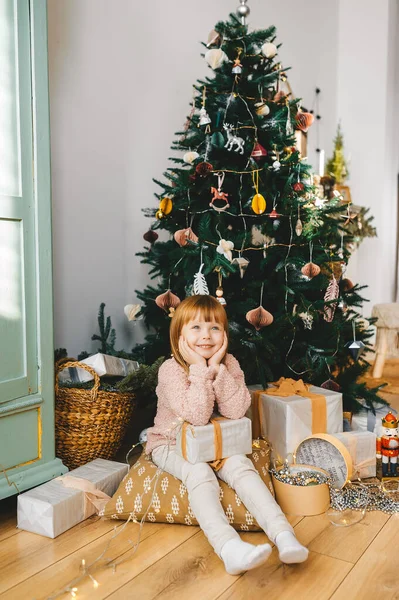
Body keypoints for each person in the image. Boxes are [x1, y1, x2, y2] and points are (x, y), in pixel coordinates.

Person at [145, 294, 308, 575]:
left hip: (216, 439)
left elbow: (236, 410)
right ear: (179, 334)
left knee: (242, 467)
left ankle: (284, 536)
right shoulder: (170, 370)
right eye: (195, 328)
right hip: (171, 443)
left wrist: (218, 368)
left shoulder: (229, 363)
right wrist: (199, 369)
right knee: (199, 474)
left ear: (224, 333)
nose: (206, 336)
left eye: (214, 328)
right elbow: (195, 416)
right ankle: (229, 548)